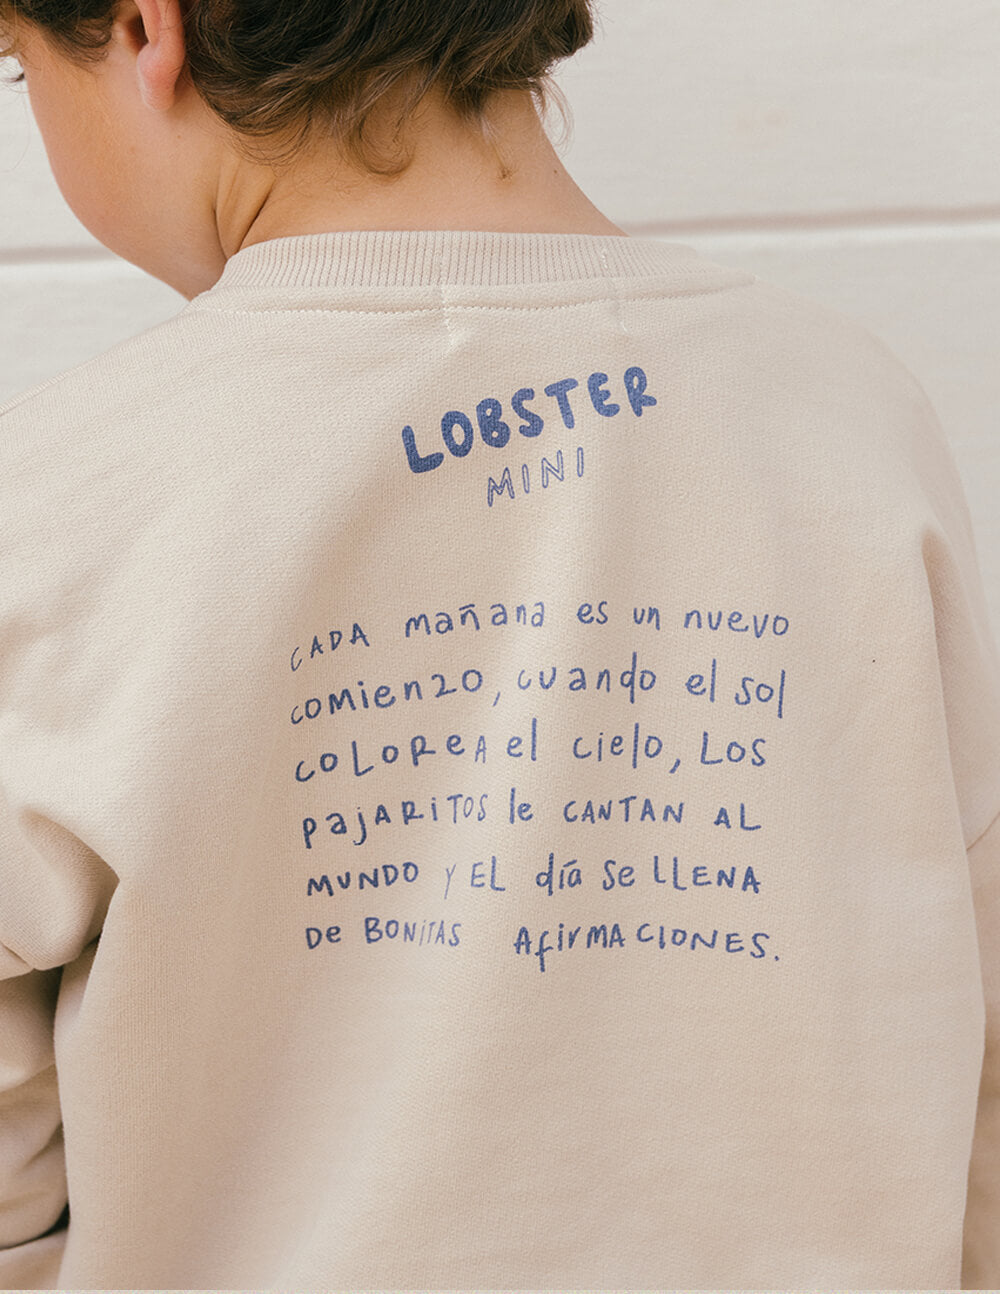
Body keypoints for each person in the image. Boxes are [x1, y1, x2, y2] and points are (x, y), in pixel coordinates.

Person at [0, 0, 997, 1288]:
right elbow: (973, 1026)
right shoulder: (852, 414)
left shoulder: (57, 497)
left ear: (151, 29)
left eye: (19, 69)